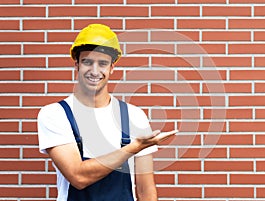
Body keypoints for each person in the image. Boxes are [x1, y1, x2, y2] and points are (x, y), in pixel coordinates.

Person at [37, 23, 177, 201]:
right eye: (87, 62)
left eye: (102, 63)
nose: (95, 71)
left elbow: (145, 191)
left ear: (112, 67)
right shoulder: (55, 114)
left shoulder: (134, 116)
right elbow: (78, 177)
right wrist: (134, 147)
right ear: (77, 65)